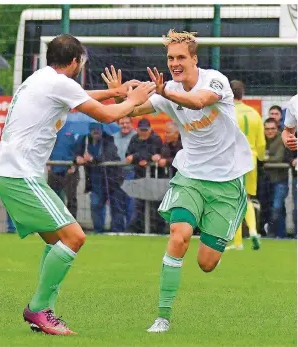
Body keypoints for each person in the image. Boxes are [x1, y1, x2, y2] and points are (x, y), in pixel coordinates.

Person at [0, 34, 155, 335]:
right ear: (76, 61)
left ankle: (43, 311)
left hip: (10, 173)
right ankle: (38, 309)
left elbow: (79, 96)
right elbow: (106, 117)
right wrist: (132, 99)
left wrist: (113, 91)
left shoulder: (42, 78)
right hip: (19, 175)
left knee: (58, 241)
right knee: (75, 238)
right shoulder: (60, 84)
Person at [102, 29, 253, 333]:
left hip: (226, 181)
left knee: (206, 263)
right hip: (190, 177)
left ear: (194, 58)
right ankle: (163, 317)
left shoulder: (214, 80)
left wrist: (163, 92)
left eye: (181, 57)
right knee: (178, 236)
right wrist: (119, 94)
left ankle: (217, 243)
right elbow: (133, 108)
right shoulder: (166, 89)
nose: (175, 62)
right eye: (170, 57)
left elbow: (198, 102)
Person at [225, 80, 266, 251]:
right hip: (251, 159)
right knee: (246, 197)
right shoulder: (254, 113)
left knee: (234, 199)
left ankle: (238, 242)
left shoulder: (227, 112)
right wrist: (261, 159)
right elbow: (262, 143)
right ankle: (253, 232)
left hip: (233, 159)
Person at [75, 123, 125, 233]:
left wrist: (93, 159)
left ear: (102, 129)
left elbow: (109, 156)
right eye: (93, 130)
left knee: (116, 206)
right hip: (95, 179)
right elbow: (76, 152)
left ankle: (117, 231)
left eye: (97, 129)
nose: (95, 132)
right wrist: (77, 158)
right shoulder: (84, 139)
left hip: (112, 178)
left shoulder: (109, 139)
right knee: (95, 205)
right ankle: (98, 231)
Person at [125, 118, 165, 234]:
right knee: (140, 205)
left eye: (145, 130)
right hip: (139, 177)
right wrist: (143, 158)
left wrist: (137, 157)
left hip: (155, 177)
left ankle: (159, 231)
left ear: (150, 129)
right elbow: (128, 155)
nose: (143, 132)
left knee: (156, 205)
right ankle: (141, 230)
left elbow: (154, 152)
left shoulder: (156, 138)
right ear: (137, 130)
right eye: (141, 130)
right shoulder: (134, 139)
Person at [261, 118, 291, 238]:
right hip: (266, 179)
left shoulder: (281, 138)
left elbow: (278, 158)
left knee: (276, 207)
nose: (270, 131)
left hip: (280, 180)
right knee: (270, 208)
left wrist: (265, 157)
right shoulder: (262, 138)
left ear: (277, 128)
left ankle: (273, 235)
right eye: (267, 129)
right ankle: (281, 235)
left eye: (272, 128)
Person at [48, 128, 79, 219]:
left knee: (71, 199)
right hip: (54, 168)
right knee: (52, 199)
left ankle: (72, 224)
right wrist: (48, 161)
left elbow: (79, 149)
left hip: (70, 170)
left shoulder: (74, 129)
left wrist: (74, 165)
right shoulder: (52, 128)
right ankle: (54, 223)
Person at [113, 117, 137, 228]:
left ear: (131, 123)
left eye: (127, 122)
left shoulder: (136, 136)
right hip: (116, 173)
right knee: (117, 203)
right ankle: (118, 229)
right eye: (122, 123)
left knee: (130, 203)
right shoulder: (113, 137)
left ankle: (130, 228)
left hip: (132, 173)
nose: (125, 125)